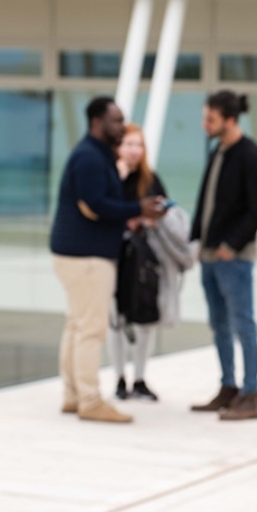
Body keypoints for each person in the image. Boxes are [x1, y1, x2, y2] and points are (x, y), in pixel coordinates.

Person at [50, 96, 167, 424]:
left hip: (78, 254)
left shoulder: (96, 154)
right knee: (90, 328)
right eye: (115, 120)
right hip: (86, 256)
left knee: (77, 324)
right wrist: (137, 209)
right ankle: (89, 399)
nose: (120, 125)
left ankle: (73, 395)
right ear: (96, 122)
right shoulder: (90, 157)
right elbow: (94, 204)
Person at [188, 90, 257, 421]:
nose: (204, 123)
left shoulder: (251, 156)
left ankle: (250, 394)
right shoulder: (217, 151)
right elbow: (205, 200)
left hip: (232, 258)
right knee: (219, 325)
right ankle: (228, 387)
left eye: (211, 118)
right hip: (208, 255)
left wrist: (229, 245)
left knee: (243, 324)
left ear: (230, 120)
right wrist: (196, 239)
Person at [106, 123, 194, 401]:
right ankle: (119, 378)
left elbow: (163, 212)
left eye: (139, 145)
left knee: (146, 317)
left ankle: (140, 378)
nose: (134, 150)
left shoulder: (150, 179)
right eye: (129, 144)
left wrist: (147, 219)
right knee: (116, 319)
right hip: (116, 257)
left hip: (146, 260)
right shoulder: (109, 176)